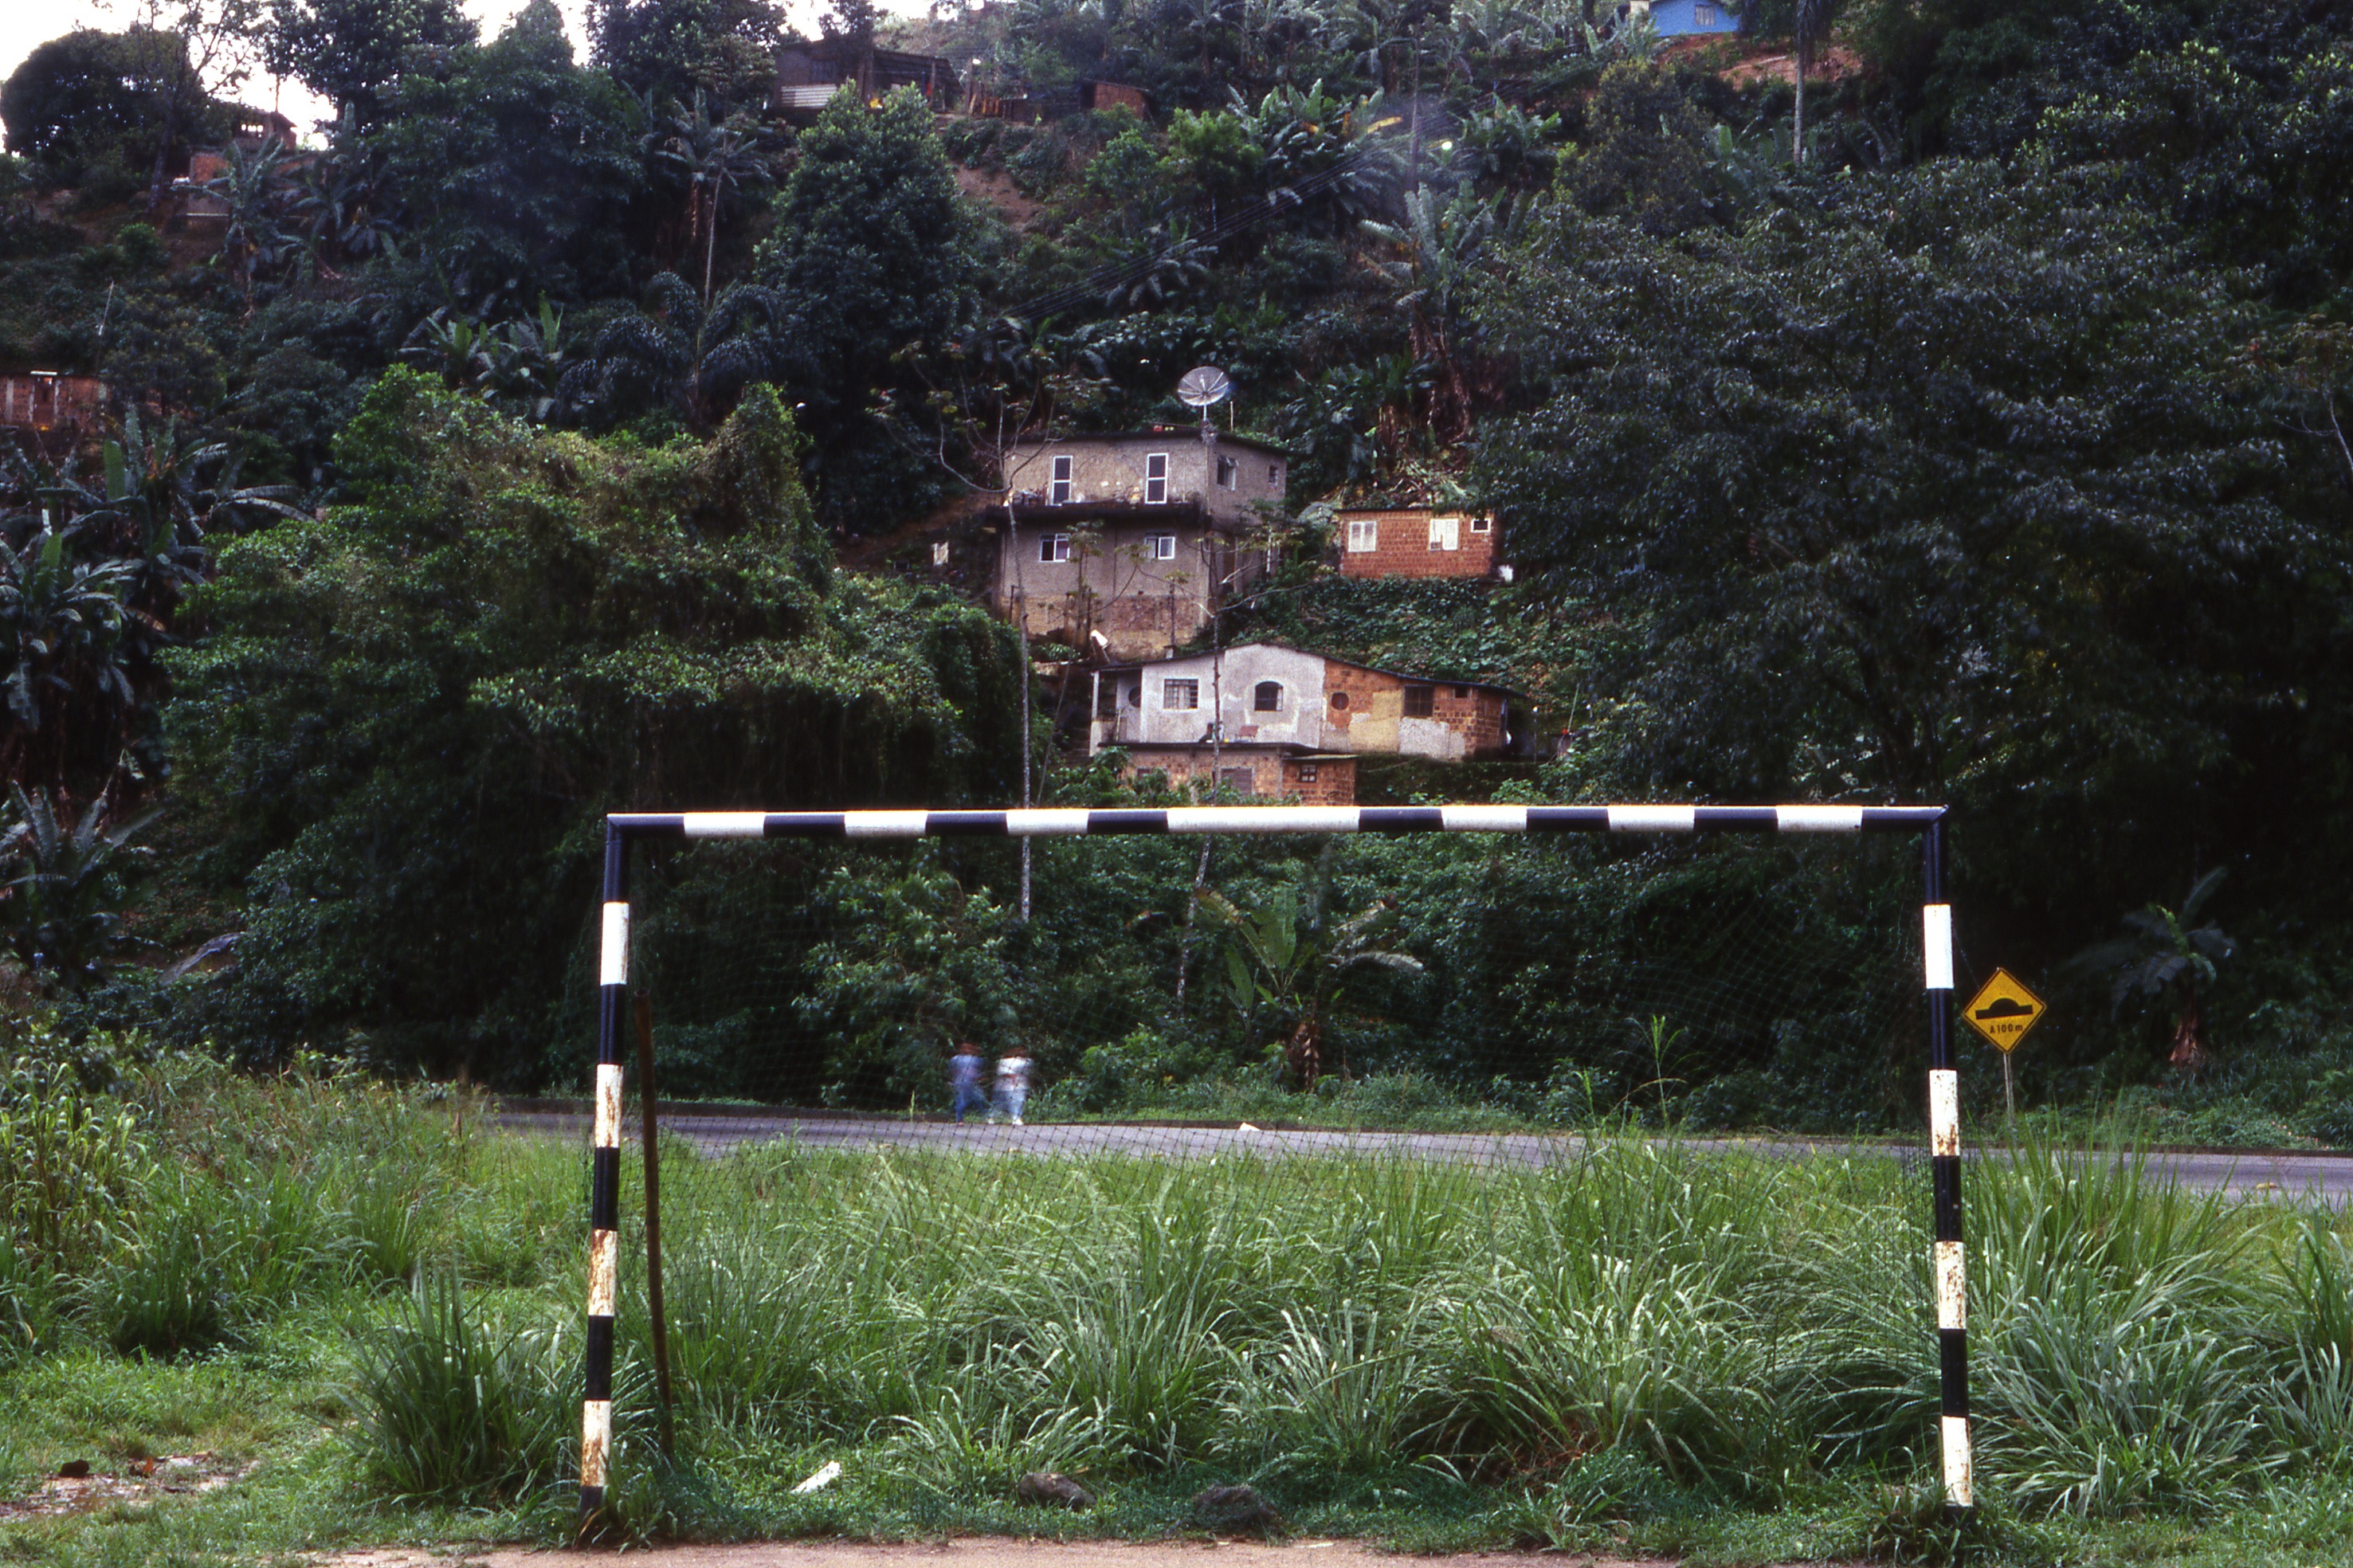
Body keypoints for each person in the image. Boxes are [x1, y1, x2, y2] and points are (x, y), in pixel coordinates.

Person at [992, 1047, 1033, 1126]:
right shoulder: (1006, 1061)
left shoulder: (1025, 1061)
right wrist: (1012, 1076)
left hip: (1020, 1086)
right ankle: (992, 1116)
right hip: (1006, 1086)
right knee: (1001, 1104)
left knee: (1019, 1101)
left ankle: (1016, 1117)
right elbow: (1004, 1072)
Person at [948, 1041, 987, 1123]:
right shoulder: (956, 1059)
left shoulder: (974, 1059)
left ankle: (986, 1117)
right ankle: (959, 1119)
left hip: (971, 1083)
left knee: (979, 1100)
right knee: (962, 1101)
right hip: (962, 1083)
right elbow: (952, 1071)